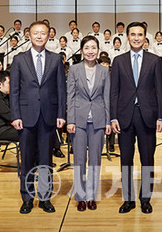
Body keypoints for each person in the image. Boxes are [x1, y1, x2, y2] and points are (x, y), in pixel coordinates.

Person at [10, 21, 67, 214]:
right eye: (36, 33)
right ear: (29, 35)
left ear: (49, 35)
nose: (40, 36)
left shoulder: (56, 59)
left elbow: (61, 89)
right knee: (26, 160)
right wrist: (15, 115)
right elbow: (14, 91)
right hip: (26, 117)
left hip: (49, 116)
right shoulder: (19, 59)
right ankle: (27, 199)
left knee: (45, 160)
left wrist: (61, 114)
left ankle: (44, 198)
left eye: (43, 33)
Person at [110, 22, 162, 214]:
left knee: (147, 159)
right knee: (125, 160)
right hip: (124, 117)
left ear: (145, 37)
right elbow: (114, 92)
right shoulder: (118, 61)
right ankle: (128, 199)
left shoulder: (154, 60)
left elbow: (159, 91)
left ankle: (145, 199)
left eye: (140, 34)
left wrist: (160, 116)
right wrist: (113, 117)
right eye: (132, 34)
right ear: (127, 37)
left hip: (147, 116)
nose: (136, 38)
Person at [67, 36, 111, 211]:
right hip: (78, 120)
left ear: (98, 50)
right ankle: (80, 196)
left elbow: (107, 97)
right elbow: (70, 96)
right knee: (79, 160)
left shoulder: (104, 71)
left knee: (95, 160)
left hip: (98, 120)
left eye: (93, 47)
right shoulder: (74, 69)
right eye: (87, 48)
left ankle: (91, 196)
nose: (90, 51)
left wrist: (108, 121)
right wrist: (70, 120)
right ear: (81, 51)